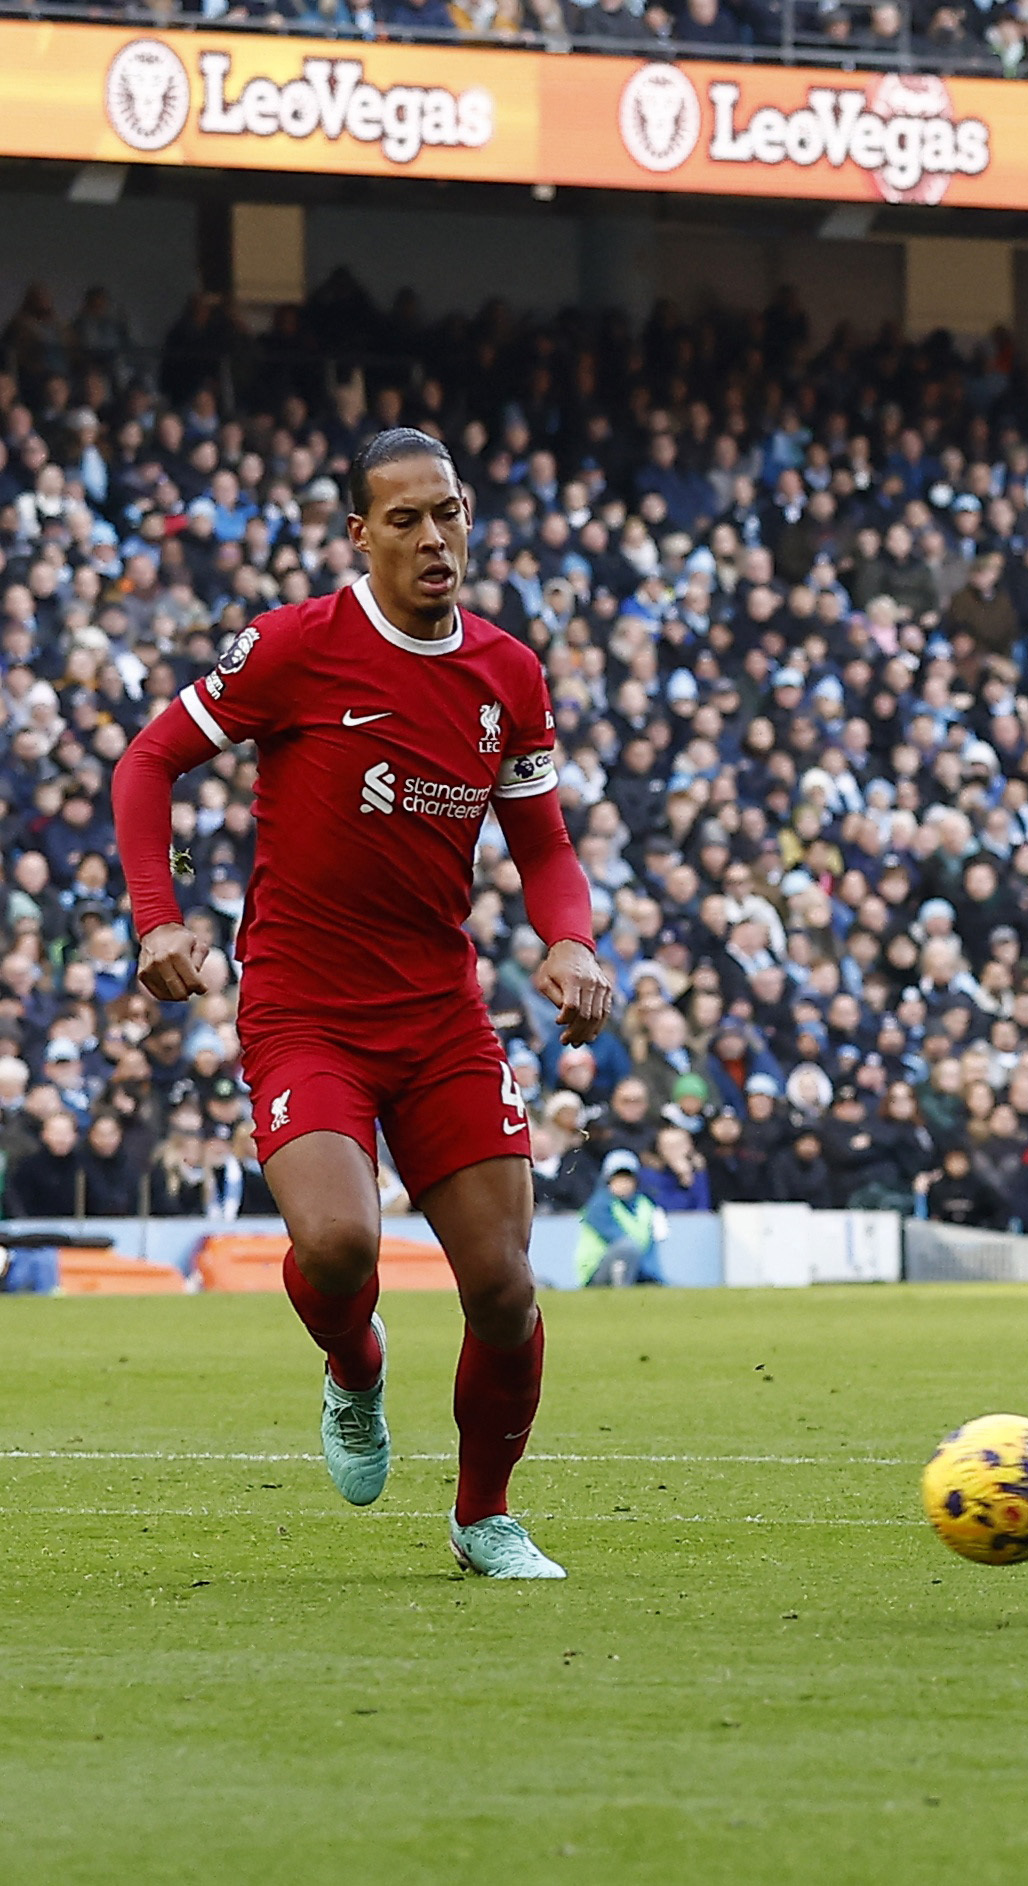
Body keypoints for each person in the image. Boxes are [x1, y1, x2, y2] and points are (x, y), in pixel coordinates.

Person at [112, 427, 615, 1581]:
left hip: (440, 1010)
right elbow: (147, 763)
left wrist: (571, 941)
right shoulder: (296, 647)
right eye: (405, 519)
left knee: (503, 1284)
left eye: (449, 512)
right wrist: (157, 914)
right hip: (305, 1005)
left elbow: (544, 844)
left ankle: (482, 1516)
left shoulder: (507, 672)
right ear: (360, 534)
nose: (434, 537)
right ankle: (354, 1366)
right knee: (338, 1243)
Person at [572, 1150, 669, 1286]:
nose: (623, 1184)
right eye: (618, 1179)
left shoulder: (645, 1205)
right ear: (607, 1180)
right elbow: (618, 1238)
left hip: (636, 1267)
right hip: (596, 1271)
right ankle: (621, 1288)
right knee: (626, 1247)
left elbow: (650, 1245)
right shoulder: (598, 1205)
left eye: (627, 1179)